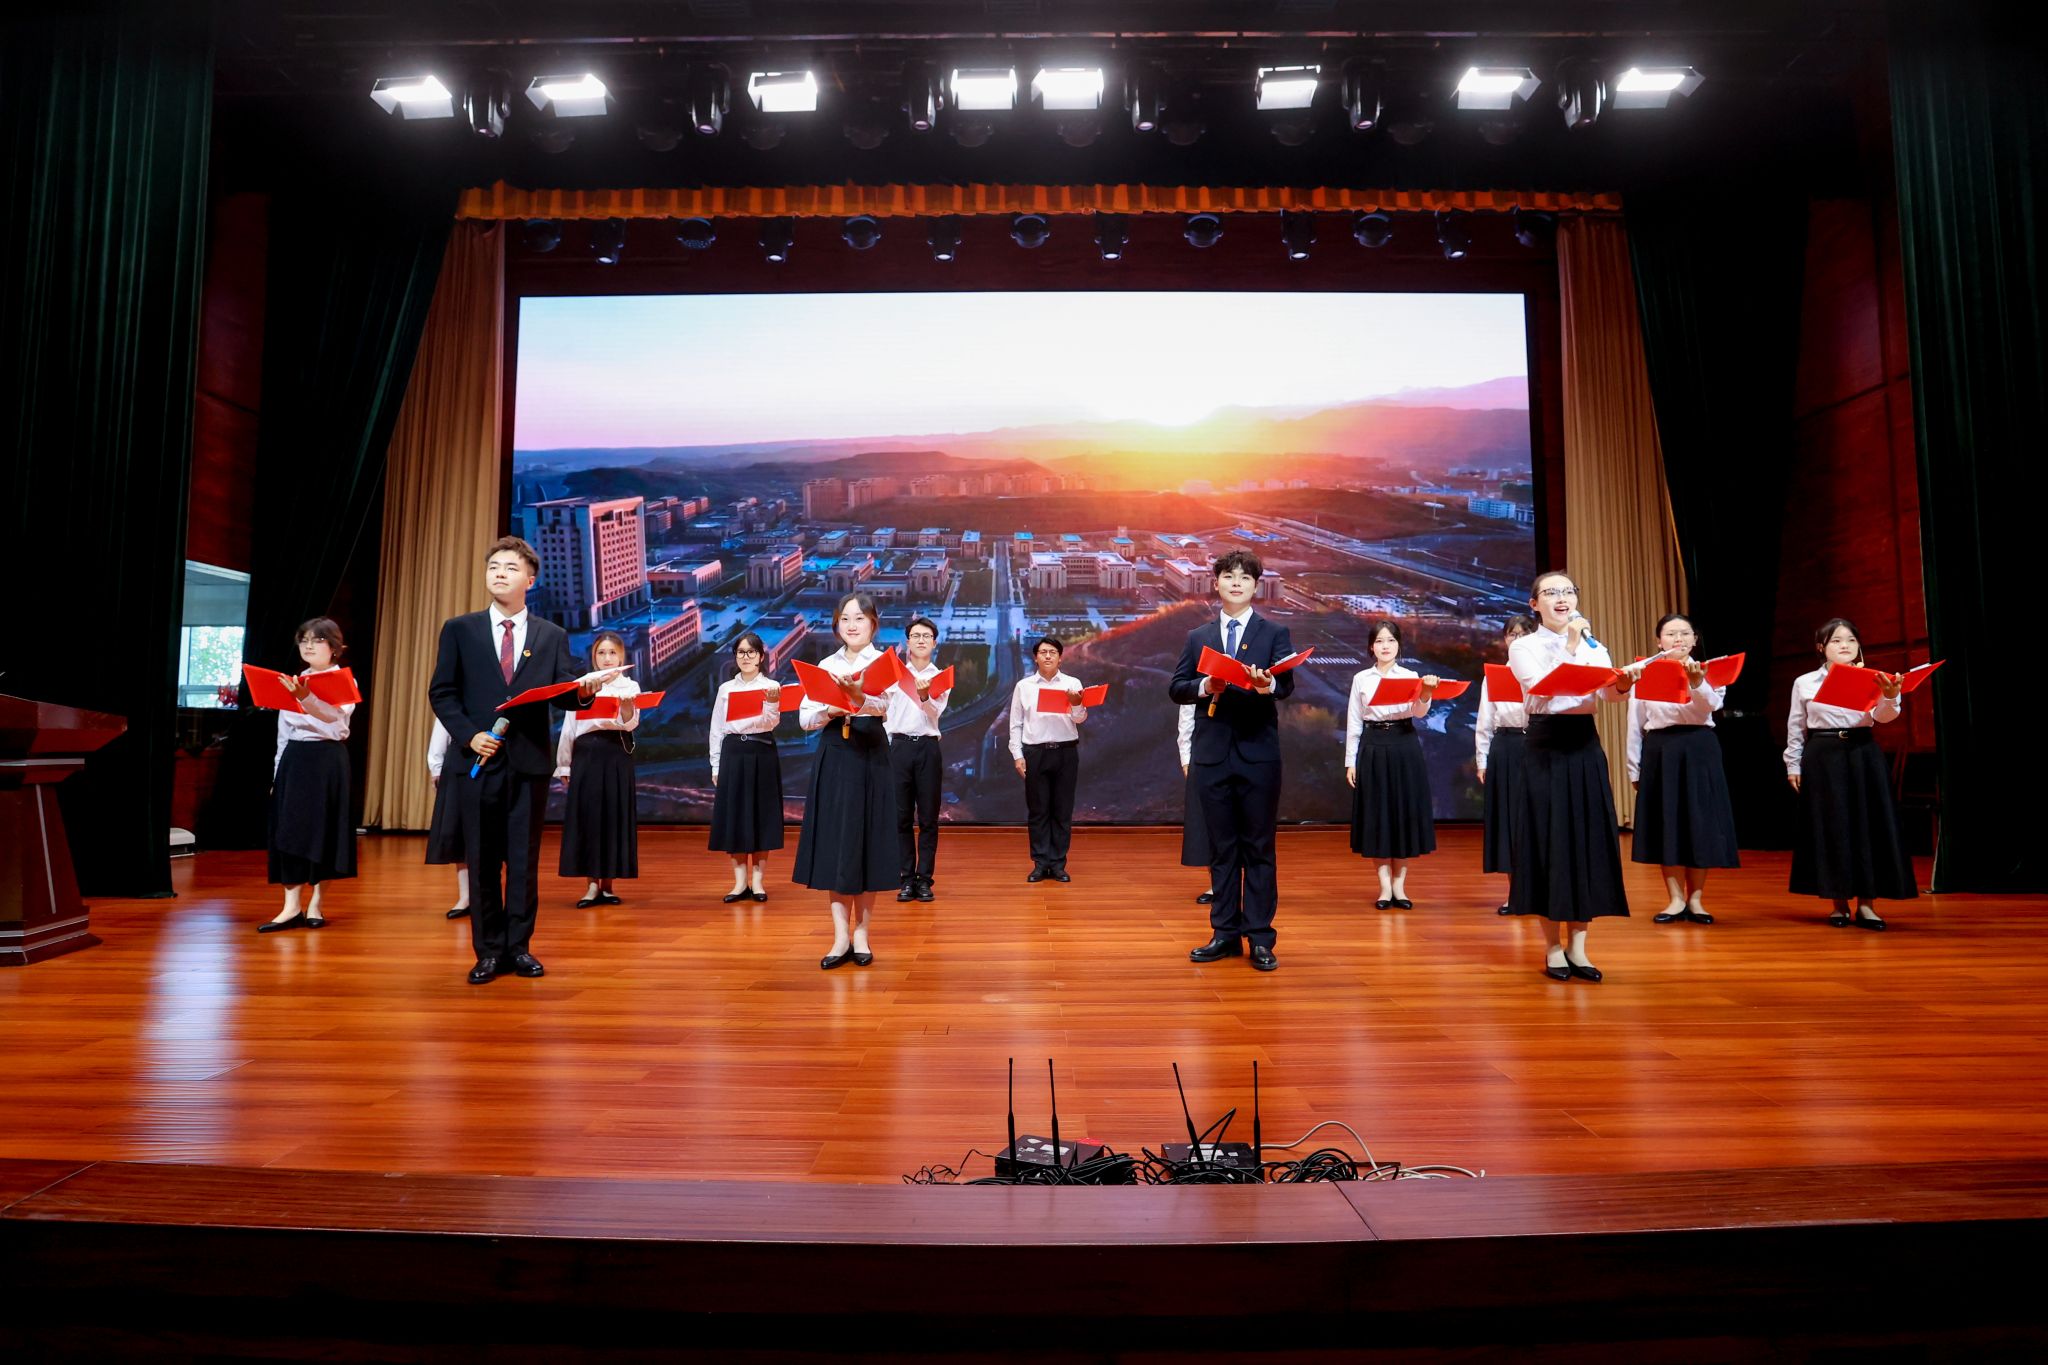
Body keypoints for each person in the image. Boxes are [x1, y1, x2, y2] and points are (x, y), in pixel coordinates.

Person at [428, 536, 598, 985]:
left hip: (528, 764)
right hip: (477, 762)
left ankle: (519, 947)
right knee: (482, 859)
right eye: (493, 567)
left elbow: (565, 694)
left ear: (530, 579)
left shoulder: (551, 635)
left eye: (510, 567)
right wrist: (470, 736)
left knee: (522, 860)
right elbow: (442, 692)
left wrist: (583, 692)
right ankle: (487, 952)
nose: (499, 573)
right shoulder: (459, 630)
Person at [1506, 571, 1644, 982]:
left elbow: (1607, 695)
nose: (1562, 598)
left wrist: (1623, 684)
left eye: (1568, 591)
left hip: (1584, 744)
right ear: (1534, 604)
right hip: (1545, 744)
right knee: (1547, 841)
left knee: (1585, 840)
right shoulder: (1524, 647)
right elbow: (1542, 688)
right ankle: (1552, 947)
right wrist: (1569, 644)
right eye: (1551, 592)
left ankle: (1579, 948)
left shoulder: (1593, 646)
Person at [1168, 551, 1295, 972]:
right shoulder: (1197, 636)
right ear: (1216, 583)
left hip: (1259, 755)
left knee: (1258, 848)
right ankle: (1223, 933)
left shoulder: (1274, 632)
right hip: (1212, 755)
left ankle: (1259, 937)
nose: (1236, 583)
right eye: (1228, 576)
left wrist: (1266, 683)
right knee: (1221, 849)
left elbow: (1286, 685)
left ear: (1256, 585)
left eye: (1244, 577)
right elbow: (1177, 687)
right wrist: (1206, 685)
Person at [1785, 617, 1915, 929]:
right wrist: (1793, 764)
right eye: (1836, 640)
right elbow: (1796, 726)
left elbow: (1884, 717)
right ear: (1821, 647)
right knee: (1832, 826)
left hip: (1862, 753)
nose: (1845, 646)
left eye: (1851, 640)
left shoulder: (1874, 677)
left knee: (1867, 825)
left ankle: (1867, 905)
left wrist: (1890, 695)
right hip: (1823, 754)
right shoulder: (1805, 682)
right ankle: (1838, 903)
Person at [793, 593, 898, 968]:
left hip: (871, 755)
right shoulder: (826, 665)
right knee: (838, 844)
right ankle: (840, 938)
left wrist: (860, 697)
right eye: (845, 619)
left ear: (873, 624)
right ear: (837, 625)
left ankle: (862, 935)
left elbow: (888, 708)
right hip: (835, 755)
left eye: (860, 618)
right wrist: (830, 708)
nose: (852, 625)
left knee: (867, 844)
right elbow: (805, 719)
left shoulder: (884, 663)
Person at [1627, 612, 1740, 925]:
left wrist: (1697, 683)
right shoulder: (1645, 672)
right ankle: (1675, 899)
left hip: (1699, 747)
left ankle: (1696, 899)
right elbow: (1634, 724)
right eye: (1671, 634)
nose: (1678, 639)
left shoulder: (1710, 670)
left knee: (1700, 823)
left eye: (1685, 633)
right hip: (1661, 749)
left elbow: (1711, 706)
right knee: (1669, 825)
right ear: (1658, 641)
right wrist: (1634, 768)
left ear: (1695, 639)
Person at [261, 617, 358, 932]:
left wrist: (305, 697)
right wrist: (277, 773)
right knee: (289, 830)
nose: (309, 646)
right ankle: (291, 907)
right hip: (295, 759)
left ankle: (316, 903)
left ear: (334, 647)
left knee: (324, 830)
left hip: (327, 760)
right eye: (304, 640)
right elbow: (283, 733)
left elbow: (334, 721)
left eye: (317, 640)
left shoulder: (344, 680)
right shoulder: (293, 680)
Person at [1343, 621, 1440, 910]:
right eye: (1380, 641)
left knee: (1403, 815)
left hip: (1404, 744)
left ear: (1399, 645)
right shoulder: (1361, 678)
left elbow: (1419, 713)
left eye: (1391, 641)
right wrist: (1350, 761)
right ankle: (1384, 887)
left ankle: (1400, 886)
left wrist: (1425, 693)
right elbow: (1354, 721)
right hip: (1373, 745)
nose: (1385, 646)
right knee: (1379, 816)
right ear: (1371, 647)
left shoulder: (1410, 676)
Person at [555, 631, 641, 909]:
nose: (607, 658)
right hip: (586, 756)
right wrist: (564, 764)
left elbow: (631, 724)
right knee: (589, 818)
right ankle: (591, 886)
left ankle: (608, 885)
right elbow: (569, 728)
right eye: (601, 653)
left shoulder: (630, 686)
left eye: (612, 653)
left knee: (613, 817)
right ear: (594, 657)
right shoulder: (582, 684)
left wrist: (626, 707)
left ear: (621, 656)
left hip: (616, 754)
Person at [708, 631, 785, 904]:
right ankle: (740, 883)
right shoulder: (726, 689)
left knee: (761, 817)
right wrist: (715, 765)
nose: (746, 657)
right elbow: (717, 728)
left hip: (761, 752)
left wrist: (772, 702)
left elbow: (771, 723)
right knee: (736, 818)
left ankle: (759, 882)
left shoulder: (771, 686)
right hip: (733, 754)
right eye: (741, 652)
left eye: (751, 652)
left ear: (761, 657)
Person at [1009, 635, 1090, 883]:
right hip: (1035, 753)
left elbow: (1080, 719)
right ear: (1035, 657)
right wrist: (1017, 755)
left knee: (1062, 810)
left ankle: (1058, 864)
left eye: (1052, 652)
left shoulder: (1072, 683)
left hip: (1066, 752)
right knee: (1038, 810)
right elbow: (1015, 724)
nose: (1047, 656)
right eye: (1043, 652)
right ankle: (1040, 862)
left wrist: (1076, 704)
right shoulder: (1024, 686)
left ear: (1060, 658)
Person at [885, 616, 949, 903]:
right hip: (898, 748)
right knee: (900, 818)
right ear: (907, 642)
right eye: (916, 636)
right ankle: (906, 878)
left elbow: (935, 713)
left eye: (926, 636)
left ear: (934, 643)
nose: (921, 640)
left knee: (928, 818)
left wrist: (924, 695)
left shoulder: (941, 677)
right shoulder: (893, 675)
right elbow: (884, 712)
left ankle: (924, 879)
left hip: (927, 748)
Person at [1476, 614, 1536, 915]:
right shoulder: (1496, 676)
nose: (1517, 639)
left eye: (1524, 634)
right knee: (1510, 821)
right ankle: (1515, 893)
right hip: (1506, 746)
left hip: (1538, 744)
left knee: (1536, 820)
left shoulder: (1543, 671)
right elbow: (1485, 722)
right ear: (1505, 640)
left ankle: (1539, 893)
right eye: (1512, 635)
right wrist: (1482, 760)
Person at [424, 718, 470, 919]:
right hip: (460, 757)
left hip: (498, 756)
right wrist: (436, 766)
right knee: (460, 829)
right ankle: (466, 896)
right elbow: (444, 724)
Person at [1177, 703, 1217, 905]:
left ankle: (1248, 884)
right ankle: (1217, 884)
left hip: (1244, 755)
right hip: (1206, 757)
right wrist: (1186, 760)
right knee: (1207, 822)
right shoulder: (1198, 686)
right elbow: (1186, 719)